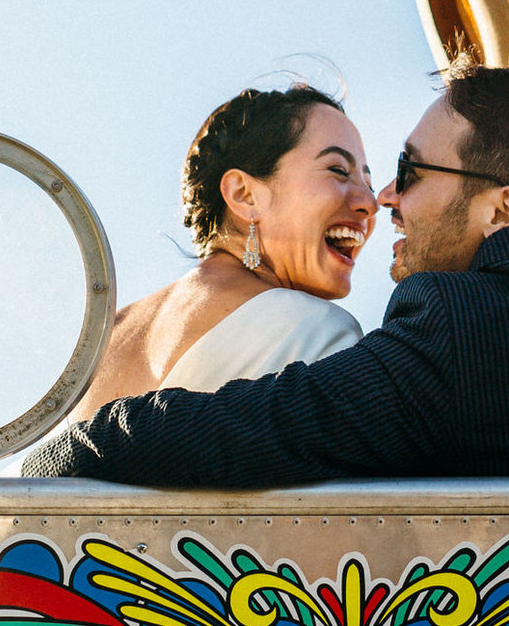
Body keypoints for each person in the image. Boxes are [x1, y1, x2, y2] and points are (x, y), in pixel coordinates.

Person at [25, 56, 509, 485]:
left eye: (407, 172)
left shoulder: (458, 322)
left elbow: (266, 425)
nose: (383, 198)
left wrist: (56, 459)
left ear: (501, 209)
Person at [71, 84, 375, 415]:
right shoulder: (321, 333)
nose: (370, 204)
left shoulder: (101, 336)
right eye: (338, 170)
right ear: (244, 194)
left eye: (369, 185)